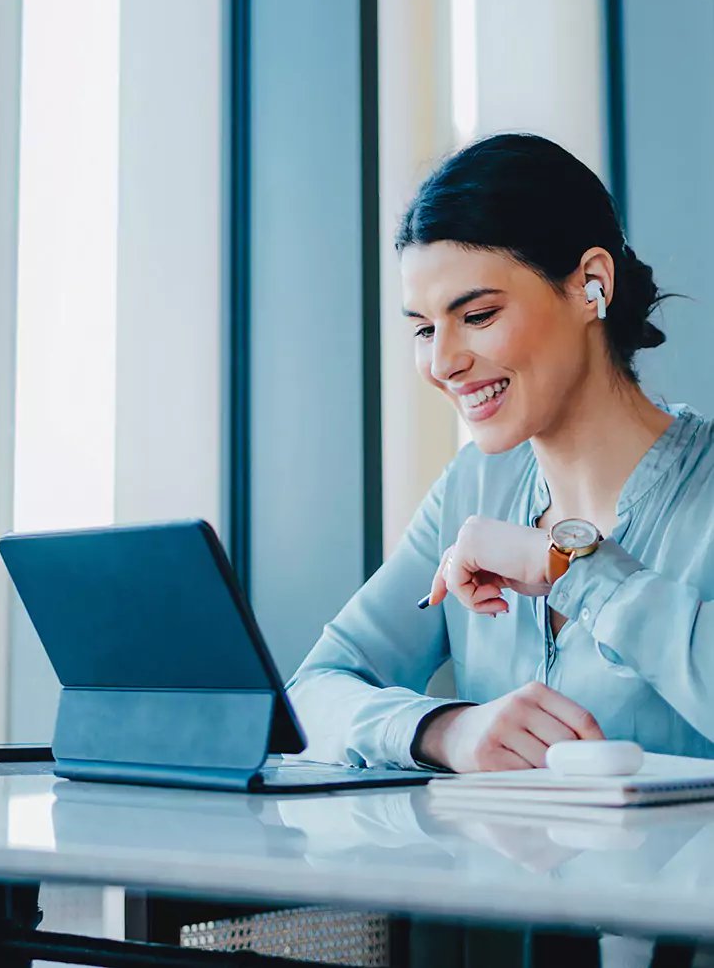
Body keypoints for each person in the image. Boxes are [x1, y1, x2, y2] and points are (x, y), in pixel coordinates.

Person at [287, 132, 714, 773]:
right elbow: (310, 695)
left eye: (479, 315)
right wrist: (444, 730)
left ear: (591, 285)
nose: (443, 362)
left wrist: (576, 568)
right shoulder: (471, 488)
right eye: (425, 329)